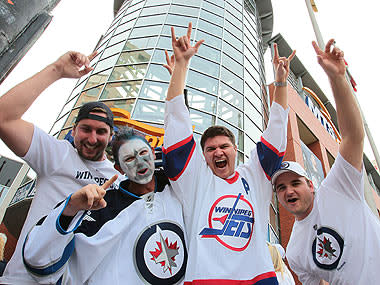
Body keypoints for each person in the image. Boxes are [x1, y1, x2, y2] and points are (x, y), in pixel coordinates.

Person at [162, 23, 295, 283]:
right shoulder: (196, 181)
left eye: (224, 146)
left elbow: (277, 132)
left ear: (236, 150)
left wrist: (280, 84)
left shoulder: (254, 176)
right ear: (202, 157)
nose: (218, 152)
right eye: (210, 149)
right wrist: (181, 68)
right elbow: (177, 125)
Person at [0, 51, 122, 284]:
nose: (93, 138)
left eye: (101, 132)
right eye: (86, 129)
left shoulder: (117, 179)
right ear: (74, 131)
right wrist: (56, 69)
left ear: (111, 136)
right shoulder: (56, 154)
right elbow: (4, 117)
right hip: (23, 279)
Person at [271, 39, 380, 284]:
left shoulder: (338, 188)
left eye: (295, 183)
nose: (288, 190)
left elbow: (353, 137)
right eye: (281, 187)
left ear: (310, 184)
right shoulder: (295, 250)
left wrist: (337, 78)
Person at [23, 127, 188, 284]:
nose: (139, 162)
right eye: (129, 158)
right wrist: (71, 207)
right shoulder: (101, 208)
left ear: (153, 153)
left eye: (143, 153)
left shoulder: (179, 187)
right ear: (118, 168)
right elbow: (40, 262)